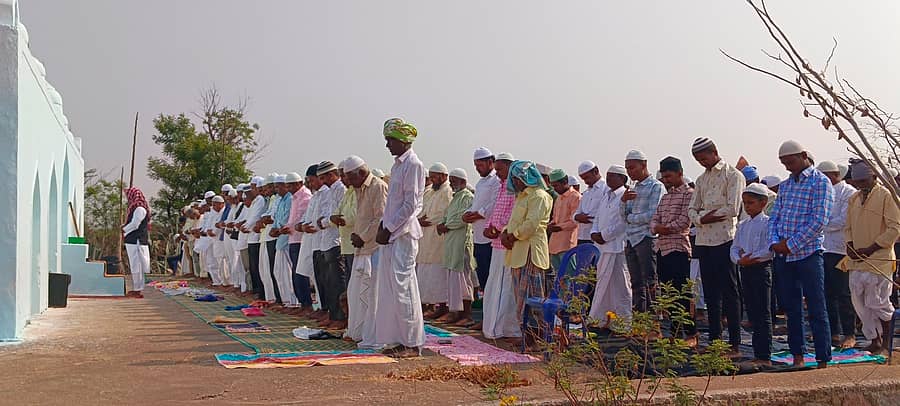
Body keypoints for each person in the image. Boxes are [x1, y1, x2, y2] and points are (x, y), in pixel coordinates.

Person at [768, 140, 833, 368]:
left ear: (804, 156)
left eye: (791, 161)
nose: (788, 167)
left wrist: (791, 244)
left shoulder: (821, 183)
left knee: (816, 306)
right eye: (784, 163)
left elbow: (819, 221)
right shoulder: (785, 186)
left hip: (809, 253)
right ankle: (798, 355)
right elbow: (774, 217)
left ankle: (822, 358)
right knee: (791, 308)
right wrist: (776, 243)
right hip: (784, 256)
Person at [373, 117, 426, 358]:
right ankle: (397, 338)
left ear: (403, 141)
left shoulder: (414, 164)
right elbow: (392, 204)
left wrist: (390, 227)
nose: (387, 145)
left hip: (403, 235)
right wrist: (383, 226)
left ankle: (413, 343)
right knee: (391, 289)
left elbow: (411, 205)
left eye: (390, 140)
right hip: (391, 234)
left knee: (405, 288)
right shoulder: (397, 165)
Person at [688, 137, 745, 355]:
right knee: (710, 293)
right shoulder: (701, 179)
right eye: (698, 160)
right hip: (704, 240)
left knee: (730, 292)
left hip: (725, 240)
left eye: (704, 158)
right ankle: (714, 341)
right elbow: (691, 211)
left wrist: (703, 216)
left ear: (714, 152)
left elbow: (732, 208)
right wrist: (704, 217)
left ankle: (735, 344)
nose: (702, 163)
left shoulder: (733, 175)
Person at [843, 159, 899, 355]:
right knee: (859, 301)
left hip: (879, 258)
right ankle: (874, 340)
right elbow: (847, 226)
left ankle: (887, 343)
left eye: (864, 181)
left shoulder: (886, 196)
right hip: (857, 260)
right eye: (857, 182)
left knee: (879, 302)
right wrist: (850, 245)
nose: (860, 185)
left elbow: (895, 228)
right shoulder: (854, 199)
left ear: (874, 177)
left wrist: (872, 248)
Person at [501, 160, 553, 347]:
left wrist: (513, 236)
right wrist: (505, 233)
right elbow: (515, 221)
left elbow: (531, 224)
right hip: (517, 251)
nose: (514, 182)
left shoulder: (539, 196)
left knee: (533, 296)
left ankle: (537, 336)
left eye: (516, 178)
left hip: (530, 251)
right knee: (520, 297)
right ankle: (526, 334)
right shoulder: (521, 197)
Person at [650, 156, 698, 345]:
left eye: (669, 176)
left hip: (678, 247)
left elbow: (684, 222)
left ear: (680, 173)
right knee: (669, 293)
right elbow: (654, 219)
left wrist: (663, 228)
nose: (666, 180)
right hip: (662, 248)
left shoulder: (689, 194)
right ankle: (675, 332)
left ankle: (691, 333)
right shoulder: (666, 196)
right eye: (664, 177)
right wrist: (658, 227)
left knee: (683, 293)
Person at [345, 158, 387, 345]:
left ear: (361, 173)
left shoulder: (378, 187)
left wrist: (362, 236)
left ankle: (373, 334)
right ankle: (359, 331)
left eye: (350, 177)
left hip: (374, 248)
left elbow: (381, 219)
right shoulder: (358, 188)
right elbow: (362, 217)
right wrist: (357, 236)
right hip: (361, 248)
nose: (348, 182)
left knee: (372, 294)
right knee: (356, 293)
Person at [731, 183, 774, 366]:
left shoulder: (768, 223)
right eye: (745, 203)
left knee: (763, 313)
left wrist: (751, 258)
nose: (747, 207)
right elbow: (735, 247)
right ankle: (758, 353)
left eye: (751, 203)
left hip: (760, 269)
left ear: (763, 203)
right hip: (745, 269)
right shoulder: (743, 225)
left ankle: (764, 355)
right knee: (753, 313)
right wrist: (739, 260)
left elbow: (769, 249)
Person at [818, 160, 858, 349]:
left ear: (833, 175)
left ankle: (849, 333)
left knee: (843, 293)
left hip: (841, 249)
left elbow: (843, 220)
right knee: (827, 294)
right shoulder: (822, 192)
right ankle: (832, 333)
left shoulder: (848, 192)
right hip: (823, 248)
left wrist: (821, 224)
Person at [481, 152, 522, 340]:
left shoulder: (516, 189)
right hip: (496, 242)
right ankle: (492, 326)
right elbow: (496, 212)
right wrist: (490, 227)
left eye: (500, 169)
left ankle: (503, 327)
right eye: (496, 170)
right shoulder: (501, 186)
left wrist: (498, 228)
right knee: (494, 282)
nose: (497, 173)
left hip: (507, 241)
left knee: (505, 285)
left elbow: (513, 215)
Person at [622, 150, 665, 312]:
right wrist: (623, 201)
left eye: (632, 168)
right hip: (631, 238)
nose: (629, 172)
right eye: (627, 169)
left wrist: (632, 218)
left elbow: (653, 215)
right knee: (636, 282)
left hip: (646, 237)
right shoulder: (633, 187)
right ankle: (640, 319)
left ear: (644, 165)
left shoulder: (656, 186)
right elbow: (623, 215)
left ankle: (654, 321)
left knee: (650, 281)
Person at [588, 166, 631, 327]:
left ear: (622, 179)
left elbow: (622, 222)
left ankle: (623, 322)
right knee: (604, 284)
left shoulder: (624, 196)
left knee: (621, 287)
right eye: (607, 176)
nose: (608, 179)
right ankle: (600, 319)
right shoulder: (606, 196)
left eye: (612, 176)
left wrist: (604, 235)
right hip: (602, 247)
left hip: (616, 246)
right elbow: (598, 218)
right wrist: (594, 233)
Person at [437, 168, 477, 326]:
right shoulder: (455, 198)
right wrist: (442, 224)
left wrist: (446, 225)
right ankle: (455, 312)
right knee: (453, 279)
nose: (452, 183)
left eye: (455, 181)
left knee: (463, 279)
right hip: (451, 243)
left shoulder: (467, 197)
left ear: (463, 182)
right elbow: (448, 216)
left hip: (461, 243)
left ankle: (466, 314)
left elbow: (462, 218)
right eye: (451, 181)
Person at [463, 147, 501, 297]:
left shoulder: (496, 181)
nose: (477, 169)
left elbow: (495, 204)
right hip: (478, 236)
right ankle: (486, 315)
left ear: (490, 162)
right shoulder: (480, 183)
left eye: (480, 165)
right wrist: (468, 214)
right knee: (483, 276)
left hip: (490, 236)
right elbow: (476, 204)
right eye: (476, 166)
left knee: (491, 277)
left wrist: (479, 214)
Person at [315, 161, 348, 329]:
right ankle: (332, 314)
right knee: (328, 281)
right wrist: (324, 221)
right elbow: (325, 217)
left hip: (336, 241)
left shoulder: (341, 189)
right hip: (325, 241)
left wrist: (325, 221)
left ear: (330, 175)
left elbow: (338, 217)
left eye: (322, 177)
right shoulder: (329, 191)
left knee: (337, 282)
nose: (321, 181)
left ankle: (341, 318)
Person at [418, 162, 454, 321]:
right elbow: (421, 210)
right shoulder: (430, 191)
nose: (432, 180)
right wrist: (419, 220)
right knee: (427, 273)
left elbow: (444, 213)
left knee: (439, 274)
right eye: (431, 177)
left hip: (438, 237)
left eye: (434, 177)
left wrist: (428, 220)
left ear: (444, 176)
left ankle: (443, 307)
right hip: (426, 237)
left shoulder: (448, 191)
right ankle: (433, 306)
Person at [299, 167, 328, 321]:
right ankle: (322, 308)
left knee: (325, 279)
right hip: (313, 241)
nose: (309, 184)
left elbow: (324, 217)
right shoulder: (315, 195)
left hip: (322, 239)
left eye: (311, 180)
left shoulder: (326, 193)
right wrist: (302, 225)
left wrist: (310, 226)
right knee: (317, 277)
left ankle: (328, 310)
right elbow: (308, 217)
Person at [285, 170, 313, 313]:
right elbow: (293, 218)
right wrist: (286, 227)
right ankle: (303, 303)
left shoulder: (305, 195)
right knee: (295, 272)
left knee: (301, 272)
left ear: (299, 183)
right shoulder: (294, 197)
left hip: (300, 239)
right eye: (288, 186)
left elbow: (300, 218)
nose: (289, 189)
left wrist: (287, 227)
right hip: (292, 238)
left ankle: (307, 304)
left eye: (291, 185)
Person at [270, 174, 299, 308]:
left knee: (288, 274)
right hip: (280, 241)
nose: (277, 189)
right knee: (279, 273)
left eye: (279, 186)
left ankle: (293, 302)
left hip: (288, 239)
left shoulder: (289, 199)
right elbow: (276, 220)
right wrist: (274, 229)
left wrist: (278, 229)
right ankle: (286, 301)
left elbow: (288, 218)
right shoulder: (280, 200)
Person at [547, 169, 581, 276]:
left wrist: (559, 227)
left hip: (567, 244)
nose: (555, 189)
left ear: (565, 181)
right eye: (553, 186)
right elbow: (555, 218)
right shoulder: (558, 198)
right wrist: (551, 224)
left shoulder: (575, 197)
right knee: (559, 277)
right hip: (554, 244)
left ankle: (571, 293)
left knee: (570, 276)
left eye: (556, 186)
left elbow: (575, 221)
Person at [329, 165, 357, 290]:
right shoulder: (348, 192)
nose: (342, 180)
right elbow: (334, 214)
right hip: (346, 245)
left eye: (344, 176)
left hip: (355, 244)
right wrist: (334, 219)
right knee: (349, 281)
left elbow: (354, 216)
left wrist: (340, 219)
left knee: (356, 281)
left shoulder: (358, 192)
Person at [122, 187, 151, 298]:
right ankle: (137, 288)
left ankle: (137, 289)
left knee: (136, 265)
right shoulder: (135, 208)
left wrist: (124, 230)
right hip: (133, 240)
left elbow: (135, 224)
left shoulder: (139, 209)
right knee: (136, 265)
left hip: (136, 240)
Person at [256, 174, 281, 303]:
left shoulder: (277, 198)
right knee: (265, 269)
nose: (265, 191)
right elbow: (267, 214)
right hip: (266, 236)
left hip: (275, 237)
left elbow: (273, 216)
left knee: (275, 270)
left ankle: (278, 299)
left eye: (267, 188)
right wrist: (262, 219)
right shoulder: (271, 199)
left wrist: (264, 219)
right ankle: (271, 297)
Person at [574, 161, 609, 245]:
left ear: (596, 171)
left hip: (596, 236)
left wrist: (588, 218)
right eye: (583, 179)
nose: (585, 182)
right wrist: (577, 217)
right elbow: (576, 213)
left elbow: (606, 213)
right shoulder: (586, 193)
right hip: (582, 236)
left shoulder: (606, 189)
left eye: (587, 178)